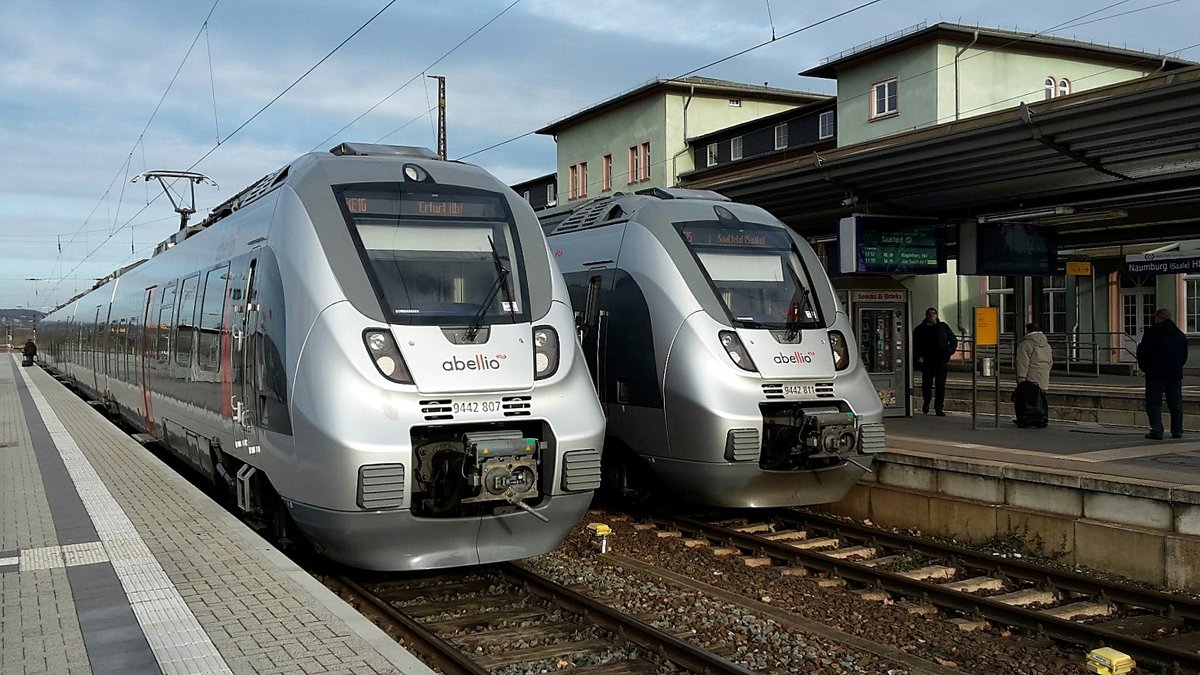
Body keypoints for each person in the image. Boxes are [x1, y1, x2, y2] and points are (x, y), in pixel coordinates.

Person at [1136, 309, 1189, 440]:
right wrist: (1177, 367)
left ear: (1158, 318)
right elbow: (1184, 356)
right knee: (1175, 402)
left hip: (1155, 374)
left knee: (1154, 402)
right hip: (1174, 374)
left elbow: (1142, 353)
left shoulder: (1151, 333)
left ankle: (1157, 430)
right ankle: (1177, 430)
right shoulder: (1180, 335)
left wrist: (1145, 368)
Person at [912, 307, 957, 416]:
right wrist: (918, 357)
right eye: (929, 314)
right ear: (926, 316)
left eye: (934, 314)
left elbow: (953, 340)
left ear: (937, 315)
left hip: (941, 359)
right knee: (927, 384)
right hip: (927, 360)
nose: (932, 316)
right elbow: (914, 344)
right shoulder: (920, 329)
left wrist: (949, 351)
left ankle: (938, 408)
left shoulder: (943, 327)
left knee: (940, 384)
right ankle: (926, 402)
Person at [1015, 322, 1052, 392]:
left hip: (1030, 379)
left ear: (1028, 331)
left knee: (1029, 401)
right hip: (1044, 379)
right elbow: (1050, 362)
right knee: (1040, 400)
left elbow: (1023, 362)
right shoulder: (1046, 345)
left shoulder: (1025, 344)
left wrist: (1021, 377)